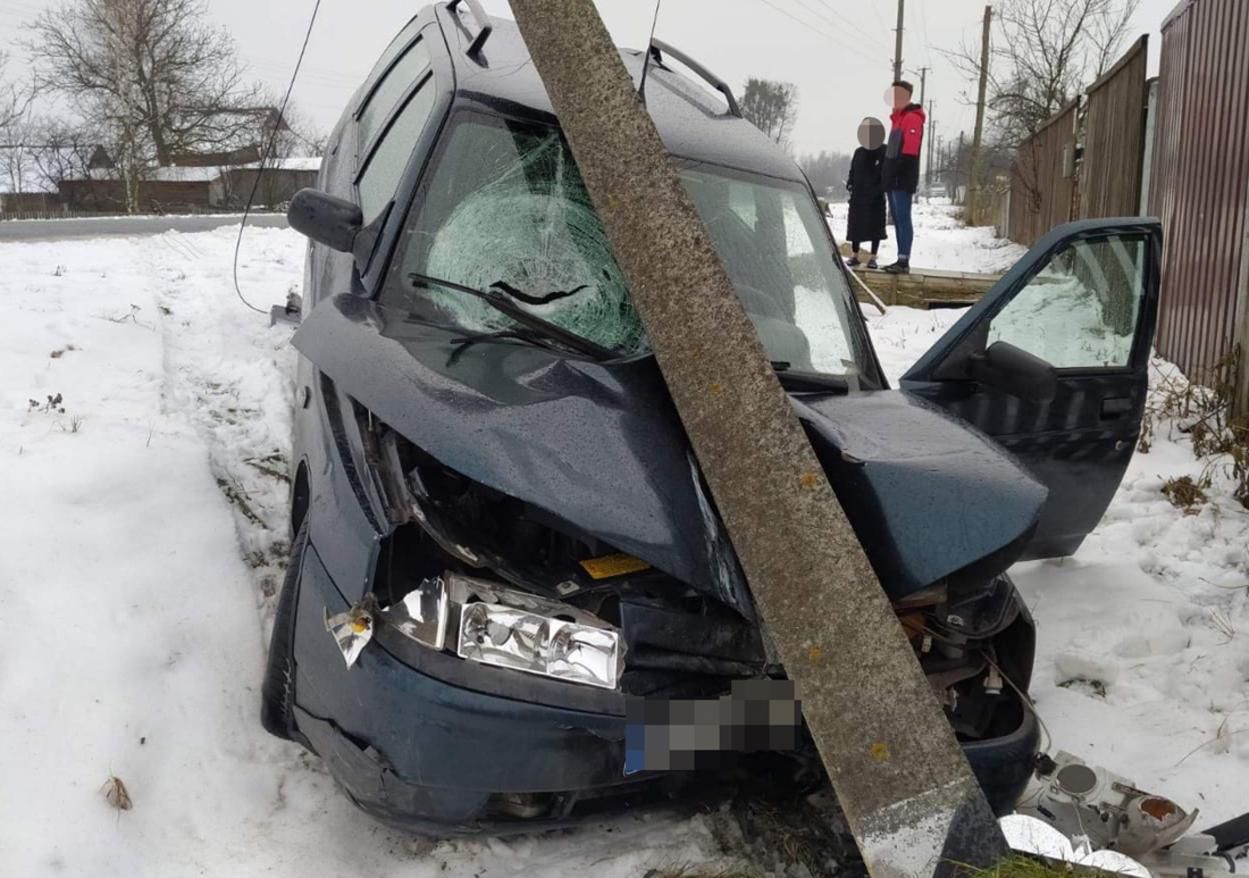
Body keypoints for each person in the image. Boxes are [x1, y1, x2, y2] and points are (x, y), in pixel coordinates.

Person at [881, 80, 926, 274]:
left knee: (903, 217)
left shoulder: (912, 118)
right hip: (892, 178)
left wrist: (898, 174)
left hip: (902, 177)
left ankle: (904, 259)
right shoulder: (897, 119)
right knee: (897, 219)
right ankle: (900, 258)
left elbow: (910, 151)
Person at [845, 117, 887, 269]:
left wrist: (880, 189)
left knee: (875, 228)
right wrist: (850, 183)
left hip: (875, 197)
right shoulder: (859, 152)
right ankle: (854, 255)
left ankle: (873, 257)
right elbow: (853, 170)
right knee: (856, 227)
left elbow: (885, 173)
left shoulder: (883, 151)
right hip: (858, 195)